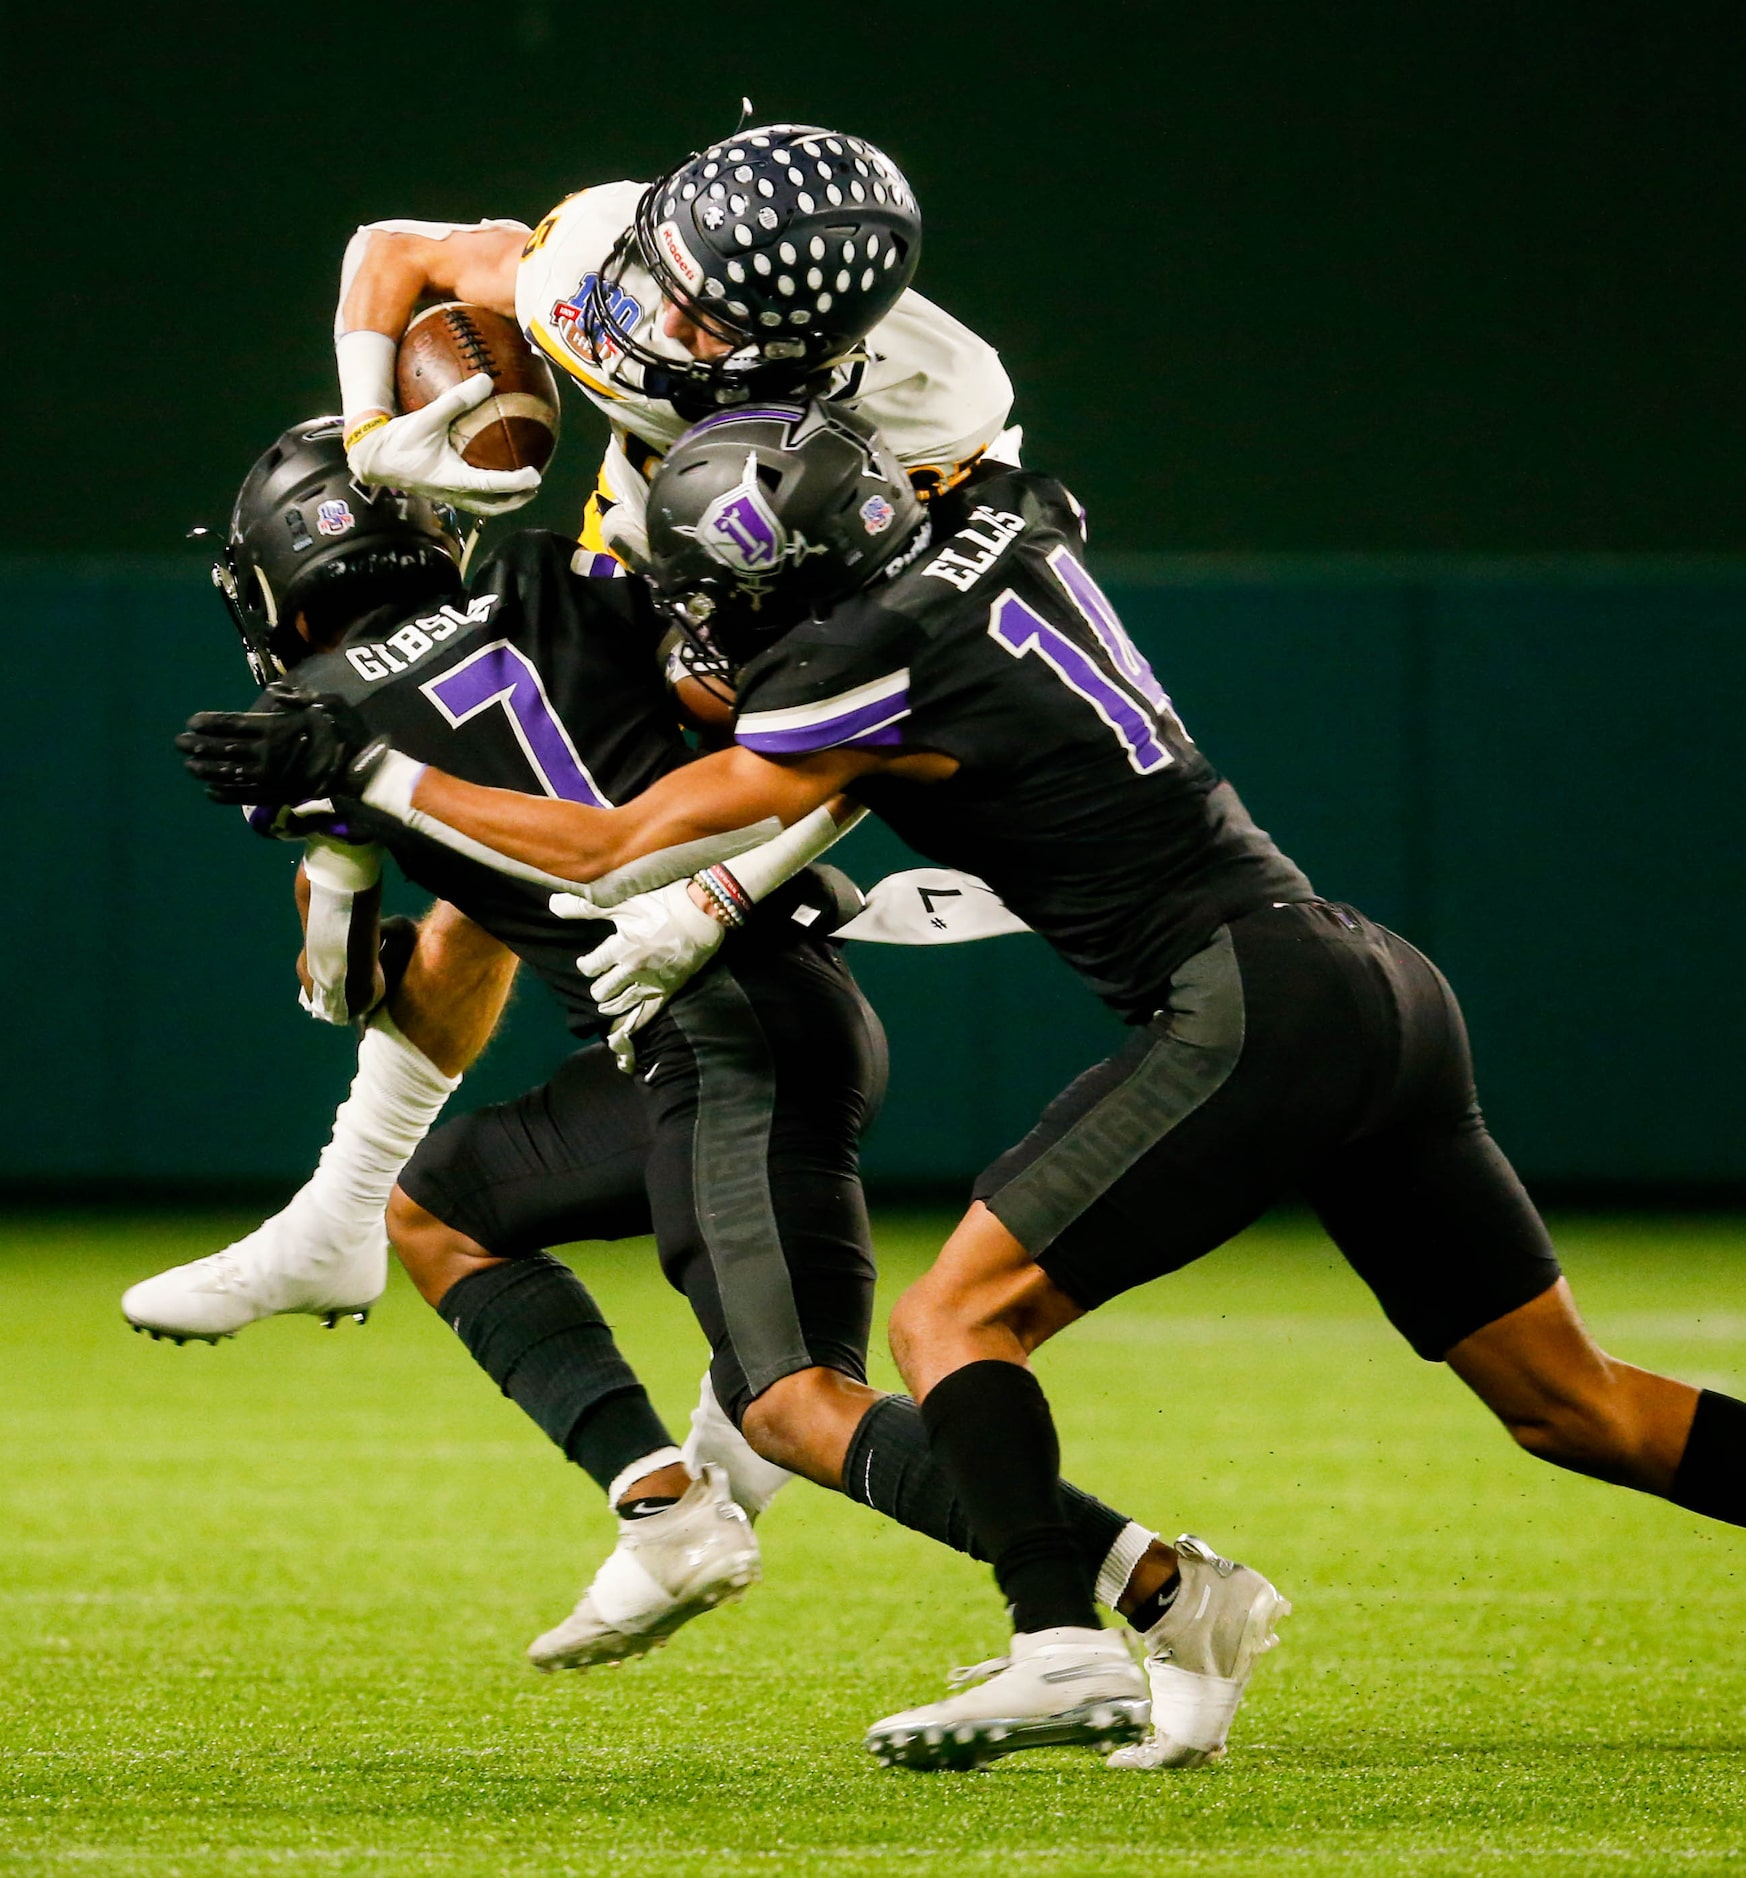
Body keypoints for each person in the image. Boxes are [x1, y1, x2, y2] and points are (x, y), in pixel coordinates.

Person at [183, 398, 1746, 1774]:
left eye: (708, 598)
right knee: (1570, 1406)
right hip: (1369, 976)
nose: (692, 629)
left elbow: (614, 840)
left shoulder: (855, 659)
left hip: (1240, 999)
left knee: (947, 1327)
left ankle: (1061, 1639)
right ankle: (1122, 1608)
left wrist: (371, 778)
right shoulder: (1003, 512)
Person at [168, 417, 1191, 1718]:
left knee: (796, 1407)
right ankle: (662, 1504)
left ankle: (1156, 1584)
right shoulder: (558, 574)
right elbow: (740, 710)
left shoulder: (314, 720)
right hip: (766, 1001)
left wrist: (347, 859)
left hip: (722, 1042)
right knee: (437, 1204)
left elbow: (335, 983)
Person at [129, 119, 1015, 1343]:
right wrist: (377, 434)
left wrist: (713, 895)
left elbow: (874, 705)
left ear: (817, 359)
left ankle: (739, 1414)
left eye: (706, 326)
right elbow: (392, 250)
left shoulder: (929, 418)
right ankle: (338, 1218)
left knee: (689, 872)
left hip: (801, 591)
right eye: (664, 280)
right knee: (490, 861)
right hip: (645, 542)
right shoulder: (600, 259)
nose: (655, 323)